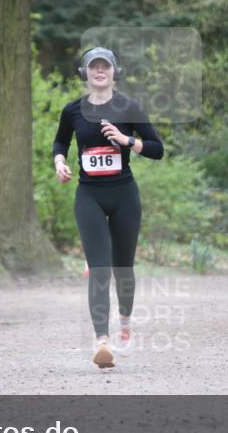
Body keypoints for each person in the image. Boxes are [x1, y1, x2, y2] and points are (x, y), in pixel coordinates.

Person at [52, 47, 165, 369]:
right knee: (99, 268)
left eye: (105, 67)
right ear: (85, 73)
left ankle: (125, 322)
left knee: (123, 269)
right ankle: (102, 341)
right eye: (93, 67)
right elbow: (60, 142)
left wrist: (127, 140)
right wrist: (59, 162)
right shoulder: (72, 110)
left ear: (115, 72)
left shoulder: (129, 107)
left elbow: (157, 150)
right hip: (88, 195)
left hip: (124, 195)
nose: (99, 71)